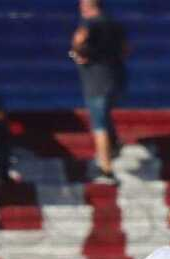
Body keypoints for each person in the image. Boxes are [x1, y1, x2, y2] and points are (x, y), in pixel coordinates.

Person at [70, 0, 127, 185]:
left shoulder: (88, 25)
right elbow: (126, 49)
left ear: (85, 6)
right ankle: (114, 144)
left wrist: (77, 53)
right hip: (114, 79)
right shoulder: (114, 24)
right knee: (104, 115)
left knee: (98, 124)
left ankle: (106, 169)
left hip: (95, 81)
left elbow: (79, 42)